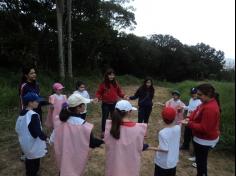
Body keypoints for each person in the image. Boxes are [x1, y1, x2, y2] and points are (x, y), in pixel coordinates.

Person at [50, 93, 104, 176]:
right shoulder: (82, 124)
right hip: (74, 159)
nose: (85, 106)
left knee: (63, 171)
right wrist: (103, 142)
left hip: (63, 158)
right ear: (79, 107)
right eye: (84, 104)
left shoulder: (59, 121)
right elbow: (91, 142)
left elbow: (52, 140)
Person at [180, 83, 221, 176]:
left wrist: (189, 123)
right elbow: (195, 111)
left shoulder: (210, 109)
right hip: (200, 138)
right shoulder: (204, 103)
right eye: (197, 94)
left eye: (200, 94)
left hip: (204, 141)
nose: (198, 97)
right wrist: (189, 118)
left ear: (209, 94)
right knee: (200, 162)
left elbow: (204, 128)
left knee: (201, 163)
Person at [104, 100, 148, 176]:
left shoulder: (109, 126)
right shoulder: (139, 129)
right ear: (129, 112)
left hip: (114, 169)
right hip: (130, 169)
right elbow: (139, 146)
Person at [15, 92, 48, 176]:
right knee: (35, 162)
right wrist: (46, 138)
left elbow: (17, 129)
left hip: (24, 143)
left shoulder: (22, 114)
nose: (38, 103)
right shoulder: (33, 115)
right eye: (36, 101)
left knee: (28, 160)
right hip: (33, 144)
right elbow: (37, 131)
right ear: (30, 102)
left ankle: (29, 173)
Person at [95, 68, 128, 138]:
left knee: (115, 117)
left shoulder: (115, 83)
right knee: (105, 118)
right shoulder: (103, 84)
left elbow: (119, 92)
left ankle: (114, 130)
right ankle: (104, 131)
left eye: (113, 75)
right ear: (107, 75)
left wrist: (123, 95)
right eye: (110, 75)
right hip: (105, 104)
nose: (111, 76)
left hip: (114, 104)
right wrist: (97, 98)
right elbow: (99, 92)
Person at [149, 107, 181, 176]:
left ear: (163, 118)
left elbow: (164, 149)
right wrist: (179, 112)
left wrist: (150, 147)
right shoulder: (178, 128)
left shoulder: (163, 132)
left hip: (163, 163)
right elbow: (179, 121)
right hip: (173, 160)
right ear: (174, 117)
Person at [180, 88, 202, 165]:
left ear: (197, 94)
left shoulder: (200, 102)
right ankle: (185, 146)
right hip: (188, 118)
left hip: (194, 121)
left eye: (195, 94)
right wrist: (183, 107)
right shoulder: (191, 99)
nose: (193, 95)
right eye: (192, 94)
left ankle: (195, 154)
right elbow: (189, 107)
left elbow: (198, 113)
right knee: (187, 134)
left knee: (194, 137)